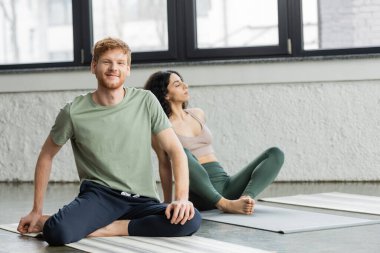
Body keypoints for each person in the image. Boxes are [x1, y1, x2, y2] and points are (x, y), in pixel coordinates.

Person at [17, 38, 201, 246]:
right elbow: (46, 155)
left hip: (142, 200)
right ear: (93, 67)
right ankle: (60, 221)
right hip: (99, 197)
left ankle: (114, 227)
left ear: (128, 69)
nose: (114, 68)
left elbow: (176, 151)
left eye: (121, 63)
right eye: (106, 62)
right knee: (57, 232)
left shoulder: (146, 101)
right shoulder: (73, 111)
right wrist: (36, 210)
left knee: (191, 219)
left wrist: (182, 199)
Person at [144, 70, 284, 215]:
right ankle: (224, 204)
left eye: (183, 81)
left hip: (226, 185)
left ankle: (245, 199)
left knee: (275, 153)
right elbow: (164, 164)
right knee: (183, 153)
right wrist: (167, 201)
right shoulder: (161, 128)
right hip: (200, 194)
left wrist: (244, 197)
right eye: (178, 84)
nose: (185, 86)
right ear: (165, 94)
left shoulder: (197, 114)